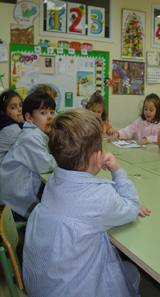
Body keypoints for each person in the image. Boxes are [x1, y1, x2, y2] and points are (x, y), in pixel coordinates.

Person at [23, 109, 150, 297]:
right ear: (96, 158)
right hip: (71, 291)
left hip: (39, 287)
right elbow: (131, 207)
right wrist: (118, 171)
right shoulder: (101, 196)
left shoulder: (53, 181)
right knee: (131, 272)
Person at [0, 91, 57, 219]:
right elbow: (46, 165)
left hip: (18, 194)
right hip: (16, 202)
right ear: (29, 118)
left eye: (52, 112)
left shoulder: (37, 133)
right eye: (43, 113)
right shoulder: (30, 137)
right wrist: (66, 160)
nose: (50, 117)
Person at [0, 89, 23, 164]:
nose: (20, 109)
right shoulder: (12, 128)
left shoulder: (5, 123)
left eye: (20, 105)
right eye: (13, 107)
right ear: (3, 113)